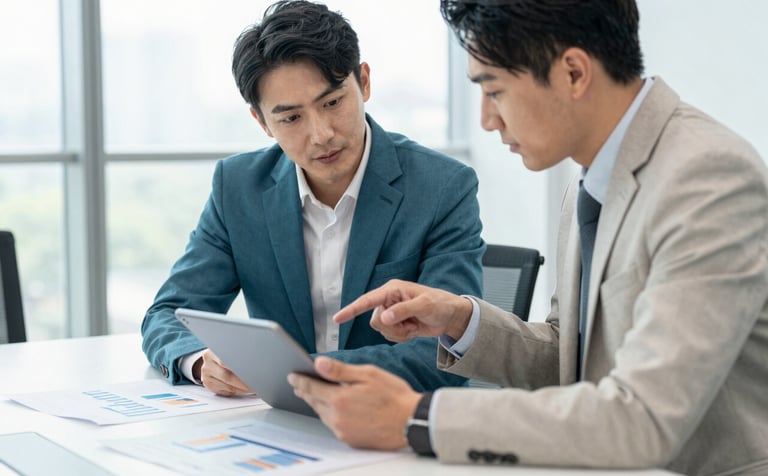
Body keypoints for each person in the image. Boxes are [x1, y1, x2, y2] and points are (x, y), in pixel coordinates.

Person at [287, 1, 768, 474]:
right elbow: (571, 356)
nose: (486, 120)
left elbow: (641, 416)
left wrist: (417, 417)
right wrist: (459, 320)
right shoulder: (590, 178)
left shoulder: (707, 178)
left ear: (574, 73)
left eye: (494, 90)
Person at [141, 0, 484, 396]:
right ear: (262, 122)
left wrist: (293, 372)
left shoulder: (442, 187)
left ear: (365, 82)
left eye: (333, 102)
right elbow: (168, 314)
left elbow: (446, 354)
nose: (321, 134)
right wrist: (201, 361)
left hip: (390, 427)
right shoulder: (238, 187)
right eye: (291, 118)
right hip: (279, 427)